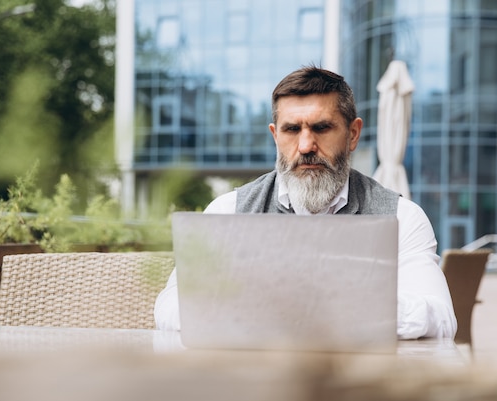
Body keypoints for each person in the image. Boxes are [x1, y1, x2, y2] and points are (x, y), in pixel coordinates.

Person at [154, 65, 457, 339]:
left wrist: (333, 305)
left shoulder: (402, 217)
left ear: (353, 134)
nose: (306, 145)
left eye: (322, 128)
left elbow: (441, 317)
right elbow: (170, 307)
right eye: (292, 129)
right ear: (275, 135)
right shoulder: (226, 211)